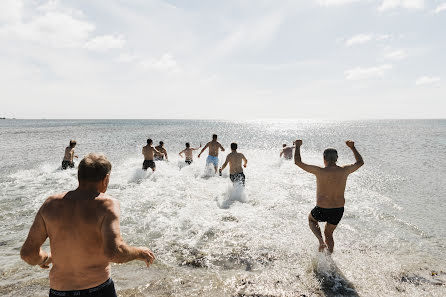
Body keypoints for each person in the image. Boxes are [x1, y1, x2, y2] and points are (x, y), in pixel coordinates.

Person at [20, 153, 155, 297]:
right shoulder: (107, 205)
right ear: (106, 179)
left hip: (59, 292)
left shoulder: (50, 204)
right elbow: (115, 252)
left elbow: (28, 254)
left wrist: (45, 258)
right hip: (97, 290)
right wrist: (140, 252)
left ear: (79, 177)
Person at [294, 140, 364, 253]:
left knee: (311, 220)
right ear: (337, 158)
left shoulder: (319, 171)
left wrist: (297, 146)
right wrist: (352, 147)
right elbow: (360, 162)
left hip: (322, 208)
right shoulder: (345, 170)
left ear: (324, 158)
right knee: (329, 233)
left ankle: (320, 241)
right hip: (338, 210)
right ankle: (329, 258)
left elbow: (298, 162)